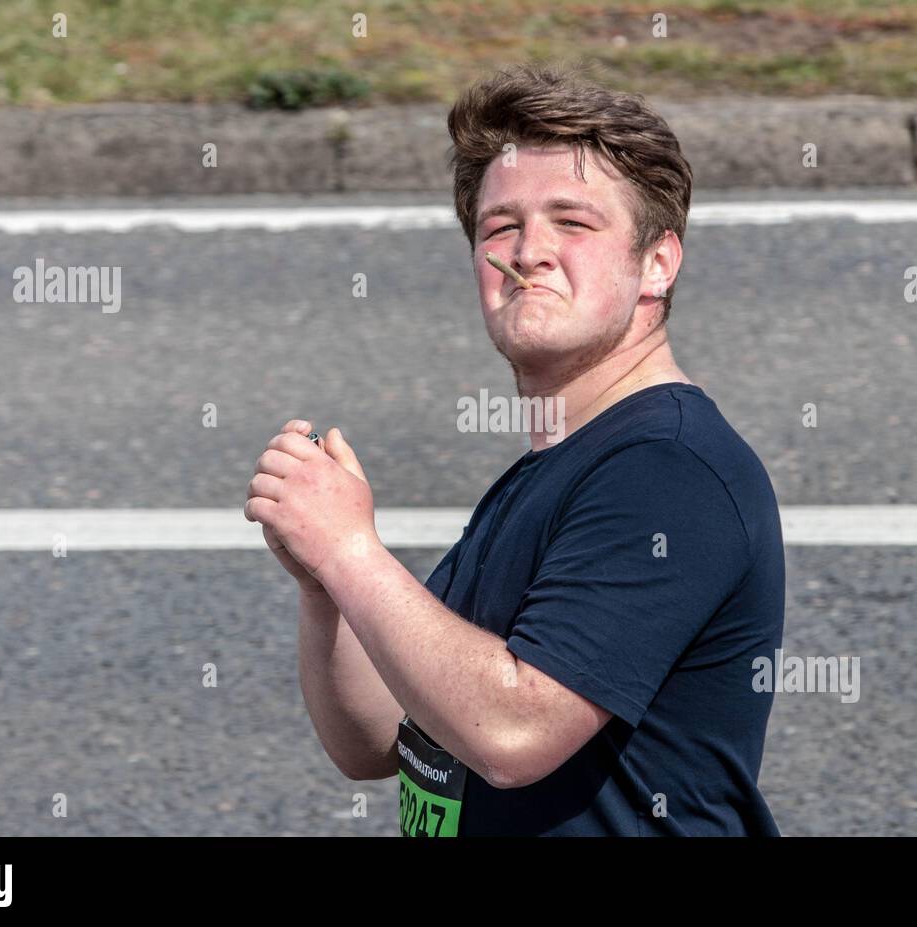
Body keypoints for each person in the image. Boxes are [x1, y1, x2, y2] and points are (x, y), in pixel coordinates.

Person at [245, 64, 786, 836]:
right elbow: (374, 740)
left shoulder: (666, 469)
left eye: (572, 222)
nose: (528, 251)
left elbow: (512, 732)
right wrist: (322, 583)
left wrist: (352, 550)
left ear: (657, 263)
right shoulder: (553, 471)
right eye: (501, 225)